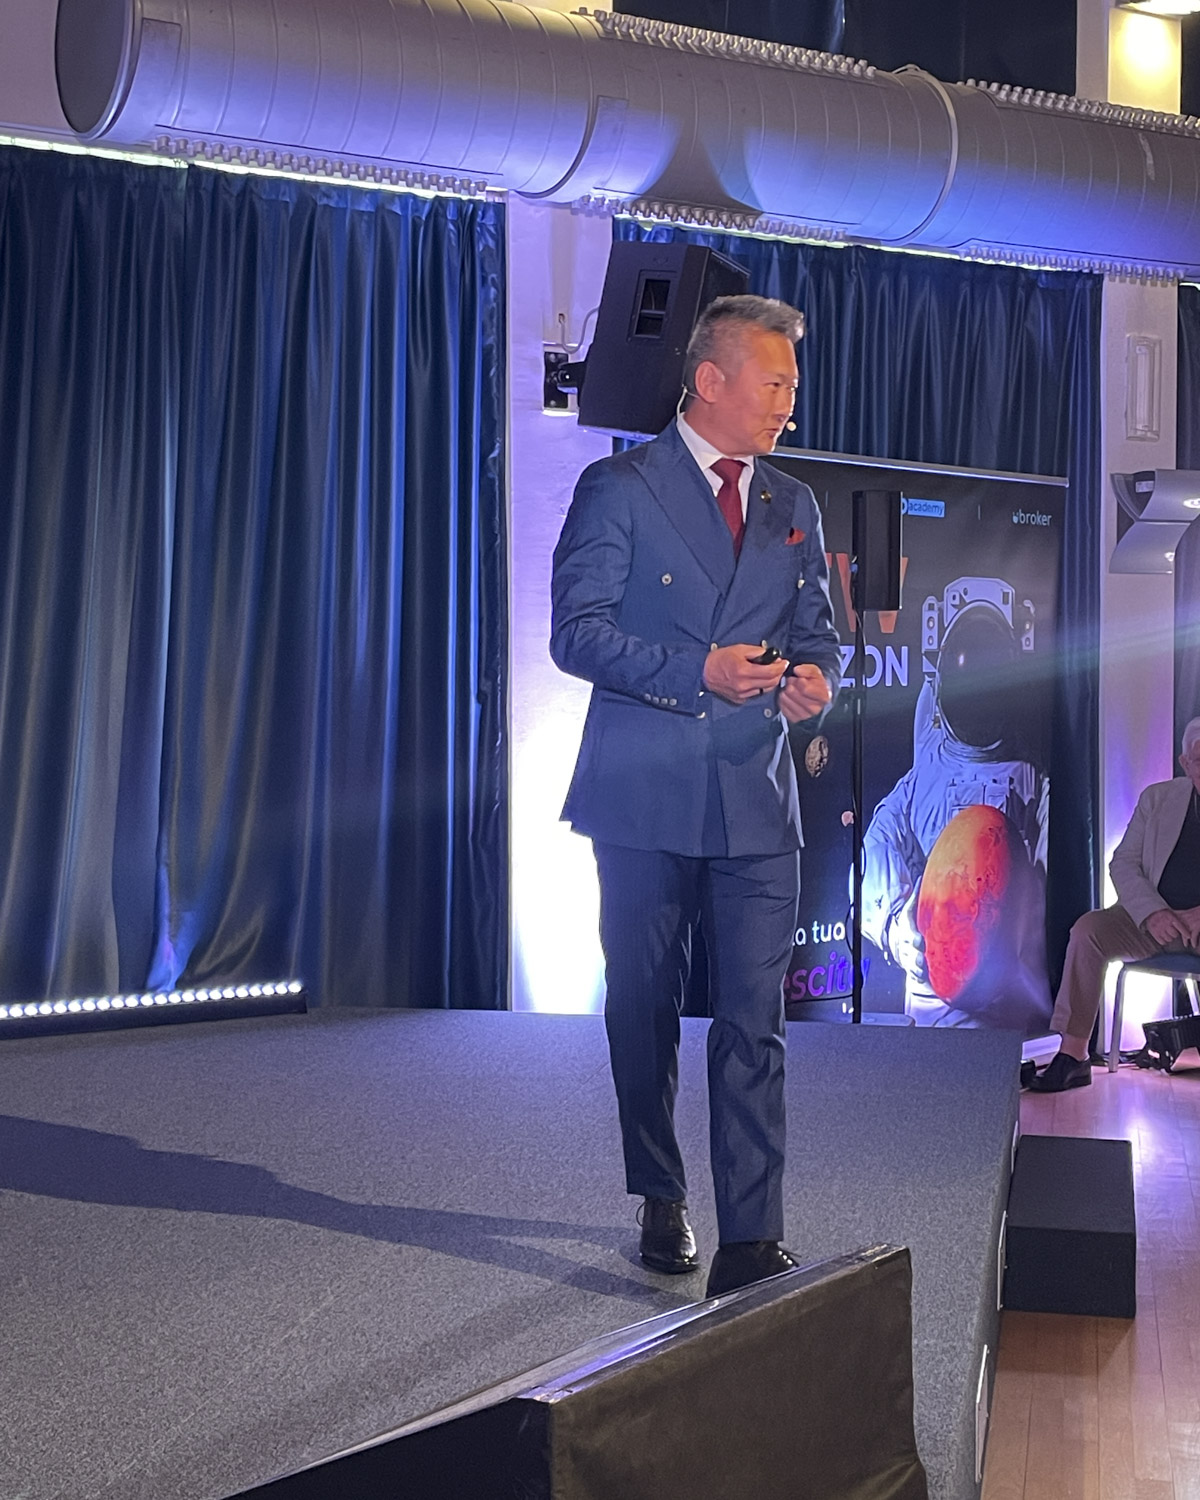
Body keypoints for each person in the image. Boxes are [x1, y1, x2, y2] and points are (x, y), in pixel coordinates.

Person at [550, 295, 841, 1295]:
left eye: (792, 385)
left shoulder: (794, 503)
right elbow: (576, 632)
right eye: (775, 383)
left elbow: (819, 635)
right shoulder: (618, 487)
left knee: (754, 1021)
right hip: (644, 796)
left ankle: (751, 1237)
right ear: (711, 380)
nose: (788, 403)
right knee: (643, 1004)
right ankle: (659, 1189)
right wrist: (695, 673)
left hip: (756, 796)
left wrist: (815, 682)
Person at [1028, 716, 1200, 1091]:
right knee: (1089, 930)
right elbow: (1123, 863)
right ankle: (1074, 1055)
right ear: (1185, 763)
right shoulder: (1158, 799)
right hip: (1155, 922)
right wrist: (1153, 912)